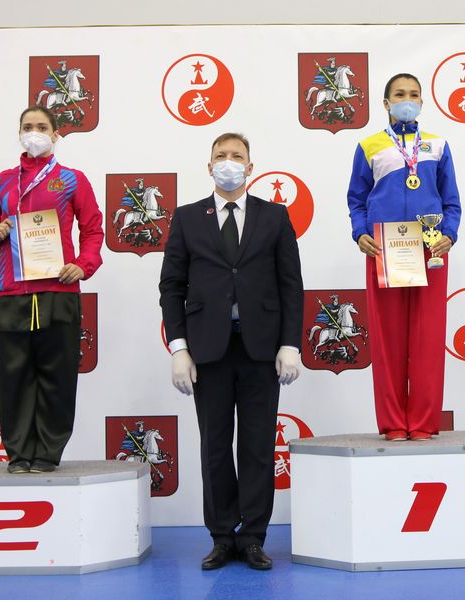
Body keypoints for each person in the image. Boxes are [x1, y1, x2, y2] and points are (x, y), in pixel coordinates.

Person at [159, 132, 303, 571]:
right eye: (220, 156)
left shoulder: (274, 216)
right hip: (209, 349)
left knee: (258, 446)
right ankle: (222, 536)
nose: (228, 162)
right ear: (209, 167)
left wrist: (290, 344)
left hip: (261, 348)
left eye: (237, 156)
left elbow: (291, 285)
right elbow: (171, 286)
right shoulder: (187, 218)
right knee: (215, 446)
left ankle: (254, 536)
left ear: (250, 167)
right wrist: (179, 348)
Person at [0, 106, 104, 474]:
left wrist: (84, 264)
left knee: (58, 376)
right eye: (28, 126)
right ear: (19, 133)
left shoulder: (72, 180)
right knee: (13, 377)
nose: (34, 132)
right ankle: (18, 454)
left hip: (58, 290)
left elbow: (93, 229)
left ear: (55, 134)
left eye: (42, 127)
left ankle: (47, 453)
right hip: (9, 291)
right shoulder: (2, 182)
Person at [346, 73, 461, 442]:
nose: (406, 100)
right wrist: (360, 232)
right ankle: (394, 422)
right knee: (388, 338)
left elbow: (451, 201)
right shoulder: (369, 146)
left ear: (422, 103)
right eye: (399, 94)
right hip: (385, 247)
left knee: (428, 337)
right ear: (386, 103)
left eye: (413, 95)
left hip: (430, 246)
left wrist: (449, 234)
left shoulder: (437, 145)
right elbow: (357, 199)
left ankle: (424, 422)